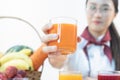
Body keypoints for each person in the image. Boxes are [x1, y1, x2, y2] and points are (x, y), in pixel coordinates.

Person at [40, 0, 120, 79]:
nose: (97, 14)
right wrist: (56, 54)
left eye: (105, 8)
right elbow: (58, 62)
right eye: (92, 7)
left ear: (115, 14)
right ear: (85, 10)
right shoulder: (72, 44)